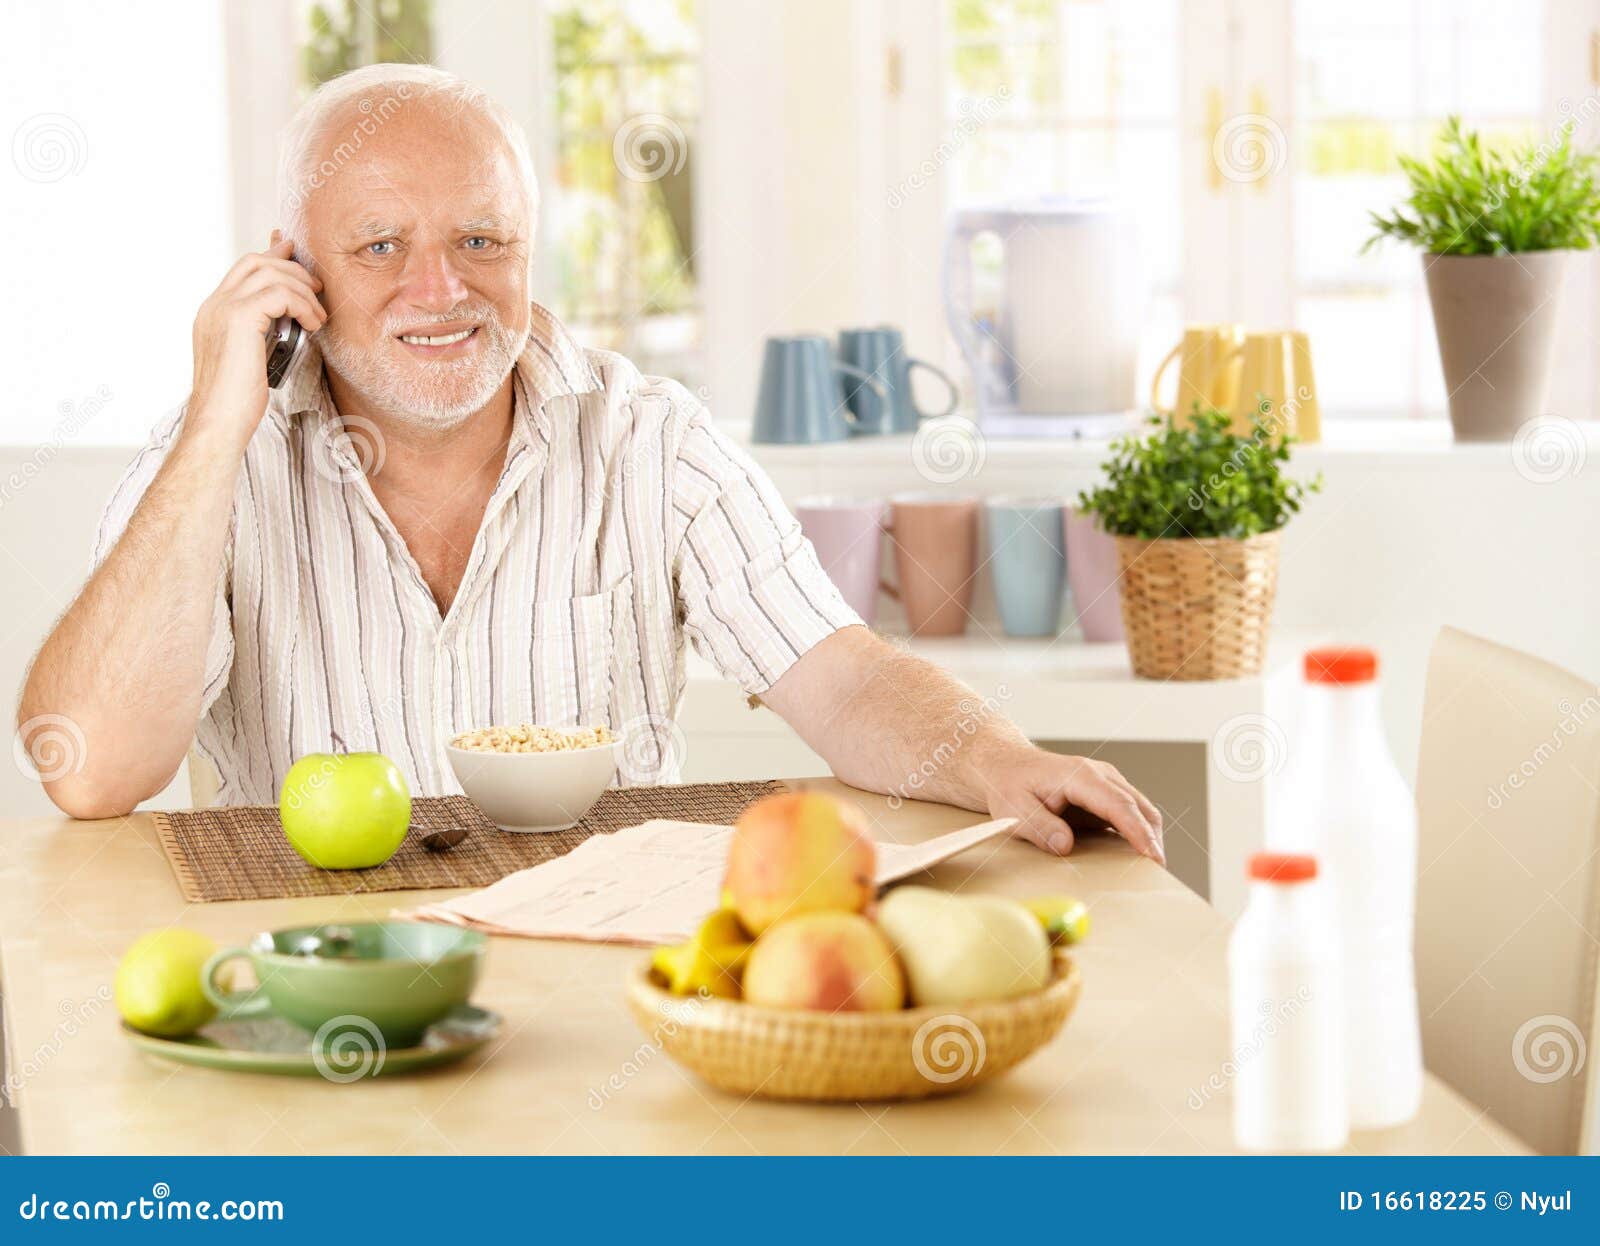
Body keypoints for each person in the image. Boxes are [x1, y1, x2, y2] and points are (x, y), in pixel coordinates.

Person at [18, 64, 1162, 865]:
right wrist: (221, 424)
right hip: (325, 989)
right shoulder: (213, 458)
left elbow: (846, 678)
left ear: (528, 252)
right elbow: (91, 771)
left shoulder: (649, 438)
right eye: (379, 247)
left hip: (601, 982)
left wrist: (999, 758)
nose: (440, 290)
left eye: (481, 240)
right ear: (291, 271)